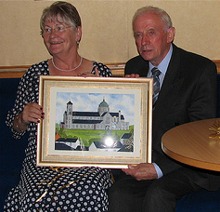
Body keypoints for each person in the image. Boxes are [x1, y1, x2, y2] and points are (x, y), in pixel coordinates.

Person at [108, 6, 220, 212]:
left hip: (188, 165)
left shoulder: (199, 69)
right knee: (119, 193)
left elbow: (200, 136)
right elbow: (128, 126)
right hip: (147, 159)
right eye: (138, 35)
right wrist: (126, 98)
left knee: (157, 194)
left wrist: (158, 169)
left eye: (151, 32)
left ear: (170, 34)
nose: (143, 42)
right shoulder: (134, 67)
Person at [4, 1, 113, 211]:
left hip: (88, 163)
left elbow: (111, 136)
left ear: (78, 33)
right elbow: (14, 131)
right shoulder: (34, 76)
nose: (52, 35)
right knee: (35, 195)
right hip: (42, 163)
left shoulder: (100, 72)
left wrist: (98, 89)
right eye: (47, 29)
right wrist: (23, 118)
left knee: (90, 190)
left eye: (60, 28)